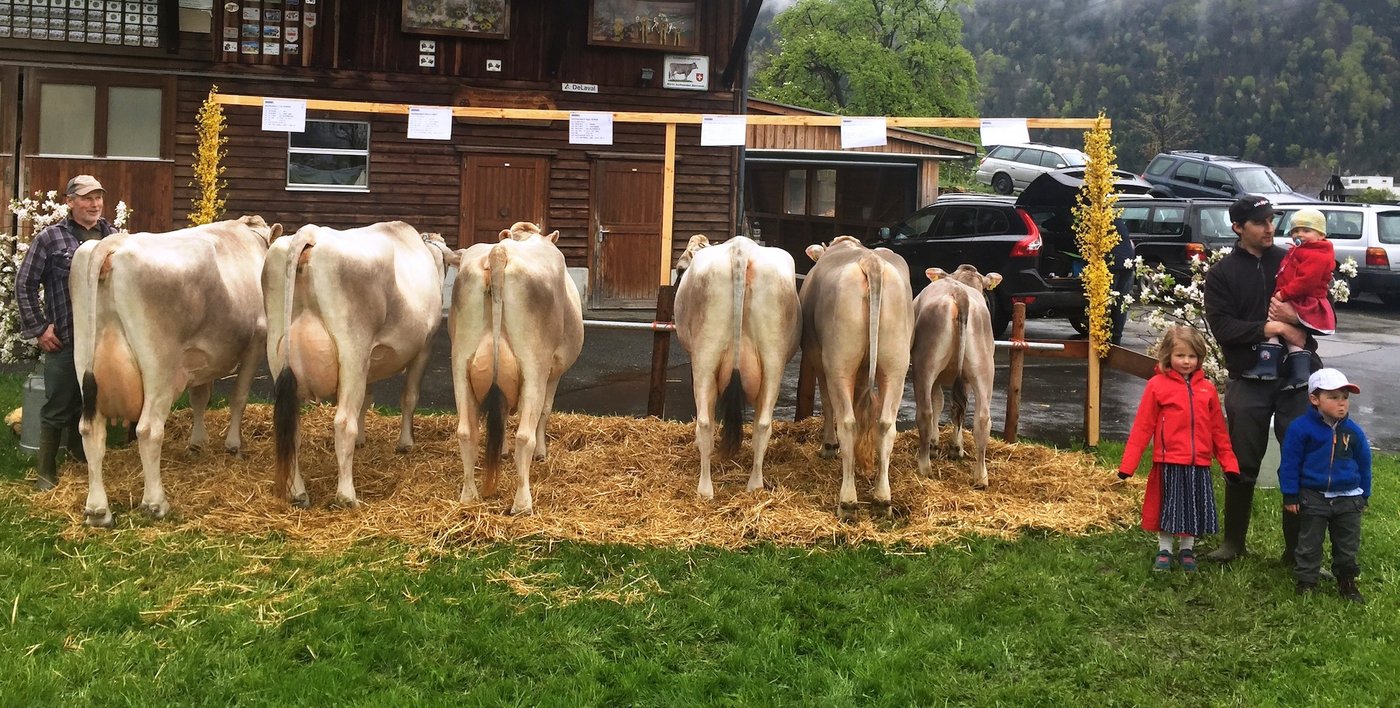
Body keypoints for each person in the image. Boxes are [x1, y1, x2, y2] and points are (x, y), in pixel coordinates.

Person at [1202, 194, 1317, 564]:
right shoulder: (1221, 274)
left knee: (1299, 462)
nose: (1270, 228)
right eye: (1260, 222)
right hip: (1247, 379)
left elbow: (1320, 312)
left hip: (1295, 381)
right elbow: (1223, 327)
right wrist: (1272, 325)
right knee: (1241, 462)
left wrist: (1298, 325)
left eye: (1272, 220)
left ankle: (1296, 551)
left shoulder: (1292, 261)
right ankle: (1233, 544)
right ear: (1238, 227)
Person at [15, 175, 115, 490]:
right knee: (59, 404)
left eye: (98, 197)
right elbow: (25, 284)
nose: (94, 204)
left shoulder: (115, 237)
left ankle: (80, 456)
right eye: (86, 198)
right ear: (70, 202)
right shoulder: (50, 239)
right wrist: (40, 328)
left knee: (94, 402)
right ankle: (46, 470)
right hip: (67, 340)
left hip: (104, 341)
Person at [1117, 326, 1239, 572]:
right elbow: (1143, 426)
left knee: (1192, 509)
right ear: (1168, 356)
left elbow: (1218, 430)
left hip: (1199, 464)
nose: (1186, 361)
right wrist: (1128, 465)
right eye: (1180, 355)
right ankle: (1164, 548)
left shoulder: (1208, 389)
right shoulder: (1157, 386)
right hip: (1169, 461)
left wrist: (1230, 463)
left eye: (1192, 356)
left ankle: (1187, 549)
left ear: (1200, 358)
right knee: (1169, 507)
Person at [1278, 368, 1371, 602]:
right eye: (1333, 397)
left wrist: (1364, 495)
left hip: (1348, 498)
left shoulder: (1353, 432)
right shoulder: (1301, 429)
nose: (1341, 404)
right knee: (1309, 542)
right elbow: (1290, 463)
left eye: (1345, 398)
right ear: (1314, 399)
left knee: (1347, 544)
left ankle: (1347, 582)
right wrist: (1290, 495)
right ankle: (1307, 581)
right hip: (1314, 496)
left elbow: (1364, 464)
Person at [1244, 208, 1335, 389]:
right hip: (1295, 297)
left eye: (1306, 230)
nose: (1299, 234)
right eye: (1295, 230)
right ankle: (1299, 374)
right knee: (1287, 334)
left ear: (1321, 235)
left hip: (1300, 299)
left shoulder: (1316, 254)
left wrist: (1283, 294)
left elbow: (1306, 281)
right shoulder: (1302, 250)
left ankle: (1267, 366)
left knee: (1271, 327)